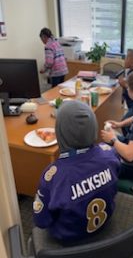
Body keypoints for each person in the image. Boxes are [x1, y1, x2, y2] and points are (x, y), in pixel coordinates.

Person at [33, 100, 121, 244]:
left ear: (60, 133)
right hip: (106, 227)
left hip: (69, 242)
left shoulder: (53, 176)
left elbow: (41, 221)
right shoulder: (110, 153)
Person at [117, 49, 133, 135]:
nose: (124, 60)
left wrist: (125, 85)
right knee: (124, 123)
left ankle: (128, 139)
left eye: (127, 58)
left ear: (132, 62)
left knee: (124, 123)